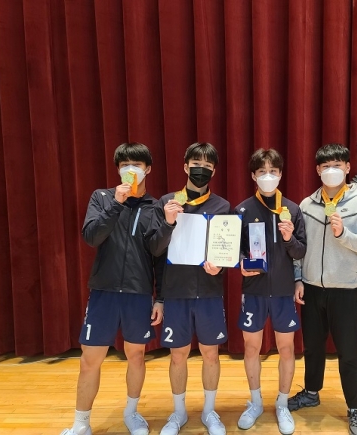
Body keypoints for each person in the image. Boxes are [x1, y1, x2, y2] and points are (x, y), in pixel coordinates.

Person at [61, 142, 164, 435]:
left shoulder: (155, 207)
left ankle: (131, 413)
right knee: (89, 359)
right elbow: (91, 237)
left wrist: (161, 298)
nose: (131, 170)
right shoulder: (102, 197)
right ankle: (81, 423)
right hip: (103, 292)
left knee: (137, 355)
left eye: (137, 165)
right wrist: (116, 204)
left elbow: (160, 256)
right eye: (124, 165)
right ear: (118, 169)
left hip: (138, 293)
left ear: (147, 169)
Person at [288, 143, 357, 435]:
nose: (332, 170)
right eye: (326, 166)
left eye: (337, 165)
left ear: (347, 168)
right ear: (318, 170)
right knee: (312, 347)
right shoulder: (307, 205)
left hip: (346, 290)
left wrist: (344, 234)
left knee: (348, 352)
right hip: (312, 288)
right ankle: (311, 392)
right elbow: (300, 247)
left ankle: (354, 407)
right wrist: (298, 279)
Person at [146, 142, 230, 435]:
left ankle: (209, 412)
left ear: (214, 171)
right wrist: (169, 222)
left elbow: (227, 250)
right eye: (196, 164)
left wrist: (221, 266)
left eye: (207, 166)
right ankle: (178, 413)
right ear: (185, 166)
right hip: (176, 293)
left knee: (211, 353)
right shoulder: (167, 202)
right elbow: (155, 249)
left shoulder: (222, 206)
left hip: (209, 292)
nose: (201, 170)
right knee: (178, 355)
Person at [234, 148, 307, 435]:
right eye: (262, 171)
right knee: (251, 348)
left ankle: (282, 403)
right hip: (253, 291)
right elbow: (234, 250)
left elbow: (300, 251)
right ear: (253, 175)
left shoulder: (293, 209)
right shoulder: (242, 210)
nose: (268, 176)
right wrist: (241, 263)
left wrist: (288, 238)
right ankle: (255, 402)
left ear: (280, 174)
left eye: (273, 171)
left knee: (287, 349)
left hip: (283, 293)